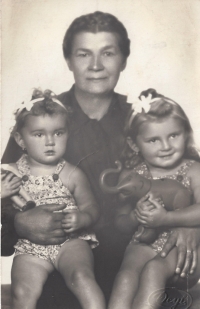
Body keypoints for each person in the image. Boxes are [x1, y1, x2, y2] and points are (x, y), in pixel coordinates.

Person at [1, 11, 200, 308]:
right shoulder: (42, 118)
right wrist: (20, 221)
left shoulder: (145, 118)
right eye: (84, 54)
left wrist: (190, 224)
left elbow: (189, 174)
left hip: (141, 258)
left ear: (124, 59)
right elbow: (8, 188)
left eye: (108, 53)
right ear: (68, 60)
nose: (95, 66)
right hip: (62, 262)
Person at [2, 89, 105, 309]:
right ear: (20, 138)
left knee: (82, 277)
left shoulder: (71, 173)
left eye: (58, 133)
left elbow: (91, 207)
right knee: (22, 291)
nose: (50, 141)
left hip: (71, 241)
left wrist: (83, 218)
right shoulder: (10, 172)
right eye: (39, 134)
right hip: (30, 246)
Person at [108, 88, 200, 309]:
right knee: (126, 277)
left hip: (184, 248)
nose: (166, 146)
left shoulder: (192, 170)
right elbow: (120, 223)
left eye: (173, 136)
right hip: (142, 243)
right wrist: (134, 216)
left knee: (153, 270)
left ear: (186, 133)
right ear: (134, 144)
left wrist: (165, 219)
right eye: (153, 140)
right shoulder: (133, 176)